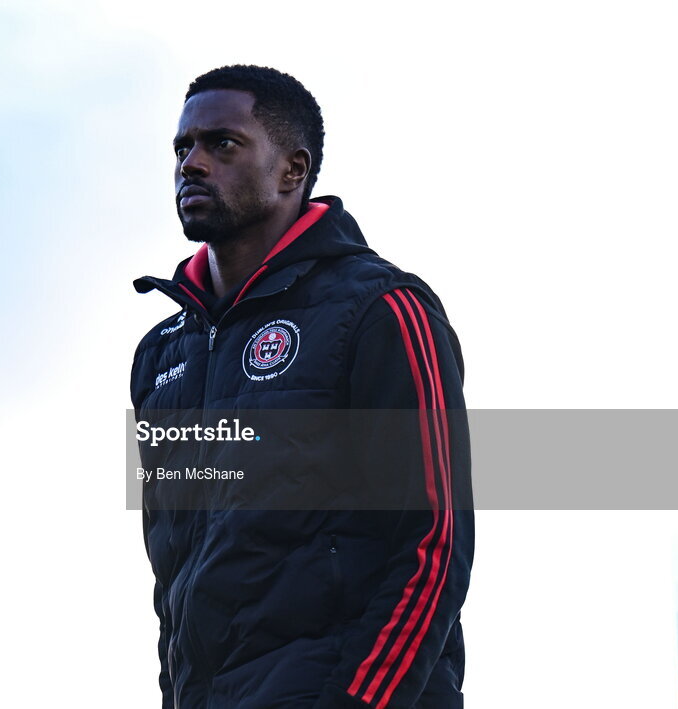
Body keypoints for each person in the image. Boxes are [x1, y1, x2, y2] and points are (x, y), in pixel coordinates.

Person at [130, 65, 473, 709]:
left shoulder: (382, 309)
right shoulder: (160, 356)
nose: (192, 165)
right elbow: (174, 585)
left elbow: (434, 542)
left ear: (293, 170)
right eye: (183, 148)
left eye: (221, 145)